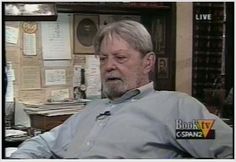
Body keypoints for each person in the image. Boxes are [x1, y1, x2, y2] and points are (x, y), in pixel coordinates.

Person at [10, 20, 232, 159]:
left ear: (148, 62)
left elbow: (226, 149)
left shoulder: (174, 110)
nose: (109, 66)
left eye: (120, 57)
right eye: (103, 58)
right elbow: (43, 143)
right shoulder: (90, 111)